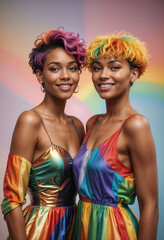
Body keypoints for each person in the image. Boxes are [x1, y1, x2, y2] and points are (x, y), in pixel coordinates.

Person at [1, 28, 86, 240]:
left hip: (74, 228)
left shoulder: (78, 125)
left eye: (72, 68)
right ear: (40, 75)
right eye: (55, 68)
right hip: (39, 230)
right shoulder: (30, 121)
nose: (65, 76)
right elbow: (11, 200)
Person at [73, 32, 158, 240]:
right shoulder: (91, 123)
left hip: (114, 231)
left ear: (134, 74)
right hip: (80, 228)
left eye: (115, 67)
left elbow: (151, 206)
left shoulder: (136, 126)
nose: (103, 75)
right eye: (97, 68)